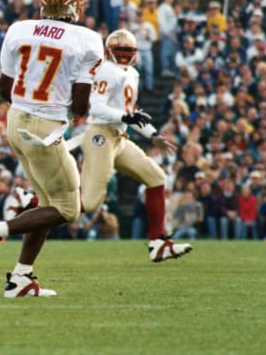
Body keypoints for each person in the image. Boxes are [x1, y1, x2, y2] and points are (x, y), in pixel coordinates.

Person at [0, 0, 104, 298]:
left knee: (46, 203)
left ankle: (21, 278)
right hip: (46, 128)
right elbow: (81, 103)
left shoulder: (18, 29)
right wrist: (73, 110)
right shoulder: (87, 38)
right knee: (70, 209)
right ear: (72, 3)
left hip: (16, 122)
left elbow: (4, 89)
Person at [80, 29, 192, 262]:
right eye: (119, 52)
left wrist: (152, 135)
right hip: (100, 134)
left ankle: (158, 243)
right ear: (109, 52)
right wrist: (125, 118)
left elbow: (131, 114)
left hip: (119, 138)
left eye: (127, 52)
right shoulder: (106, 70)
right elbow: (96, 106)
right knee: (90, 203)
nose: (123, 56)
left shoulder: (132, 74)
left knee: (156, 177)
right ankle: (31, 203)